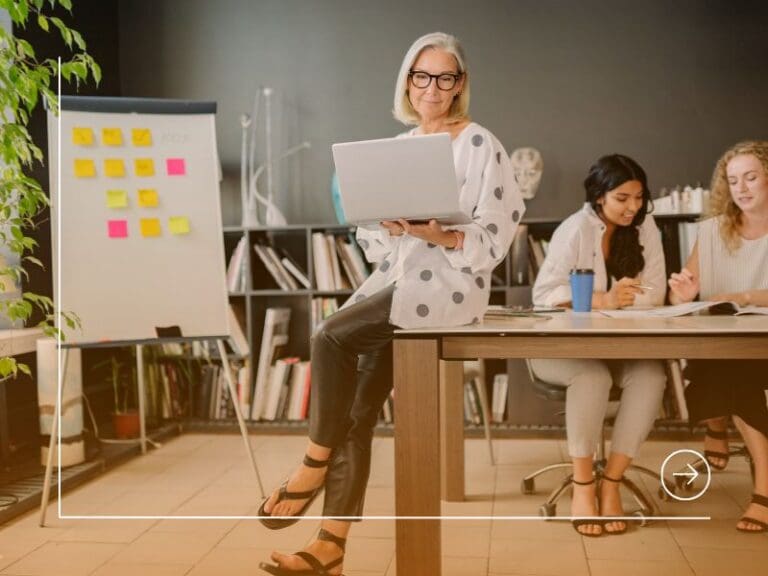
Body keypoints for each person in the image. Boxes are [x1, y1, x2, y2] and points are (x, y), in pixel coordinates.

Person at [257, 32, 525, 575]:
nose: (433, 88)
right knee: (356, 412)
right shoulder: (398, 148)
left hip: (447, 288)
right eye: (422, 76)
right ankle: (330, 547)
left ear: (459, 85)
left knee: (329, 335)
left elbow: (498, 233)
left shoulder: (478, 143)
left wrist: (440, 235)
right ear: (408, 81)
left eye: (445, 77)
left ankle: (313, 461)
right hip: (395, 281)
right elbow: (375, 242)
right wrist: (390, 226)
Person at [531, 154, 667, 537]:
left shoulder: (646, 228)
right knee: (591, 377)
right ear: (599, 195)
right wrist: (603, 299)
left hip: (620, 347)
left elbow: (655, 294)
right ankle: (583, 485)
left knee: (651, 375)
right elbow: (544, 294)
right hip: (561, 350)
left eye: (639, 198)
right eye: (622, 198)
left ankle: (612, 482)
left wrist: (621, 299)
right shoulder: (574, 229)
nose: (633, 208)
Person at [668, 140, 768, 533]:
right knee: (722, 364)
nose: (741, 188)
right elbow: (682, 292)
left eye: (751, 178)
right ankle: (761, 485)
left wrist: (742, 296)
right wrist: (684, 291)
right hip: (724, 344)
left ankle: (720, 431)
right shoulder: (712, 231)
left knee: (734, 373)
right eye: (733, 180)